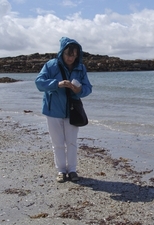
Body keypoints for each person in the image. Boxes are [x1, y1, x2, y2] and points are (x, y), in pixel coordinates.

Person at [35, 37, 92, 183]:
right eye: (68, 54)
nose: (71, 58)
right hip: (53, 110)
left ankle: (72, 170)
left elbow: (88, 88)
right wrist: (57, 84)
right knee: (58, 143)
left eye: (74, 55)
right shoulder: (51, 65)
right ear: (62, 52)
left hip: (72, 110)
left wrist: (78, 90)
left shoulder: (81, 68)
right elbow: (39, 83)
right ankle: (61, 171)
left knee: (72, 142)